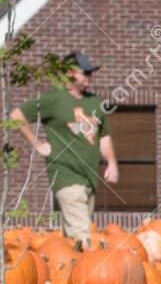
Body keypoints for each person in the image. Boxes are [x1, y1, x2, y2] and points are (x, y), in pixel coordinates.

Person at [11, 52, 119, 248]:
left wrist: (111, 163)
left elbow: (103, 136)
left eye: (90, 73)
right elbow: (17, 115)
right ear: (69, 72)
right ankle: (89, 276)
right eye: (84, 73)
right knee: (84, 236)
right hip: (66, 178)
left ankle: (68, 274)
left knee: (74, 240)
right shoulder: (54, 99)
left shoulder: (94, 103)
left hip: (90, 180)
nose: (89, 77)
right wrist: (37, 144)